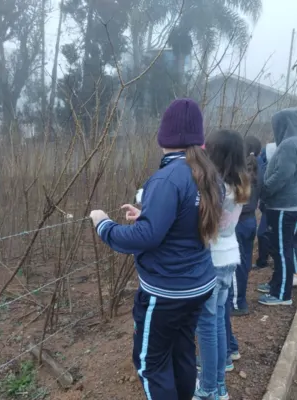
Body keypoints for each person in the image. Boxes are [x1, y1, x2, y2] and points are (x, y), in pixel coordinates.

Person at [89, 98, 222, 400]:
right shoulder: (210, 175)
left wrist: (104, 225)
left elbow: (147, 238)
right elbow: (189, 221)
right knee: (182, 352)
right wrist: (146, 216)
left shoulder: (166, 179)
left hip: (166, 294)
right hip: (198, 285)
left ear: (165, 137)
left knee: (150, 364)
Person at [194, 129, 250, 400]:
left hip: (212, 261)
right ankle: (218, 386)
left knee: (206, 326)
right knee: (216, 323)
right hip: (230, 258)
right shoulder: (239, 183)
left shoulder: (213, 187)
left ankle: (207, 390)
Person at [257, 108, 297, 306]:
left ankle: (282, 294)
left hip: (284, 206)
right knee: (282, 246)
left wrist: (264, 190)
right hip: (296, 203)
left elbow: (282, 175)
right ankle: (276, 283)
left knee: (281, 249)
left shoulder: (288, 145)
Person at [228, 135, 263, 317]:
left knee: (236, 265)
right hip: (250, 222)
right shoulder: (256, 170)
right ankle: (239, 298)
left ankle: (237, 303)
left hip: (239, 223)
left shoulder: (238, 175)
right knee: (245, 262)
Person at [253, 142, 276, 269]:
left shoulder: (273, 168)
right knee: (266, 233)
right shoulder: (265, 165)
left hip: (272, 206)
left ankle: (266, 259)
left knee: (263, 233)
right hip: (268, 206)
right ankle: (264, 259)